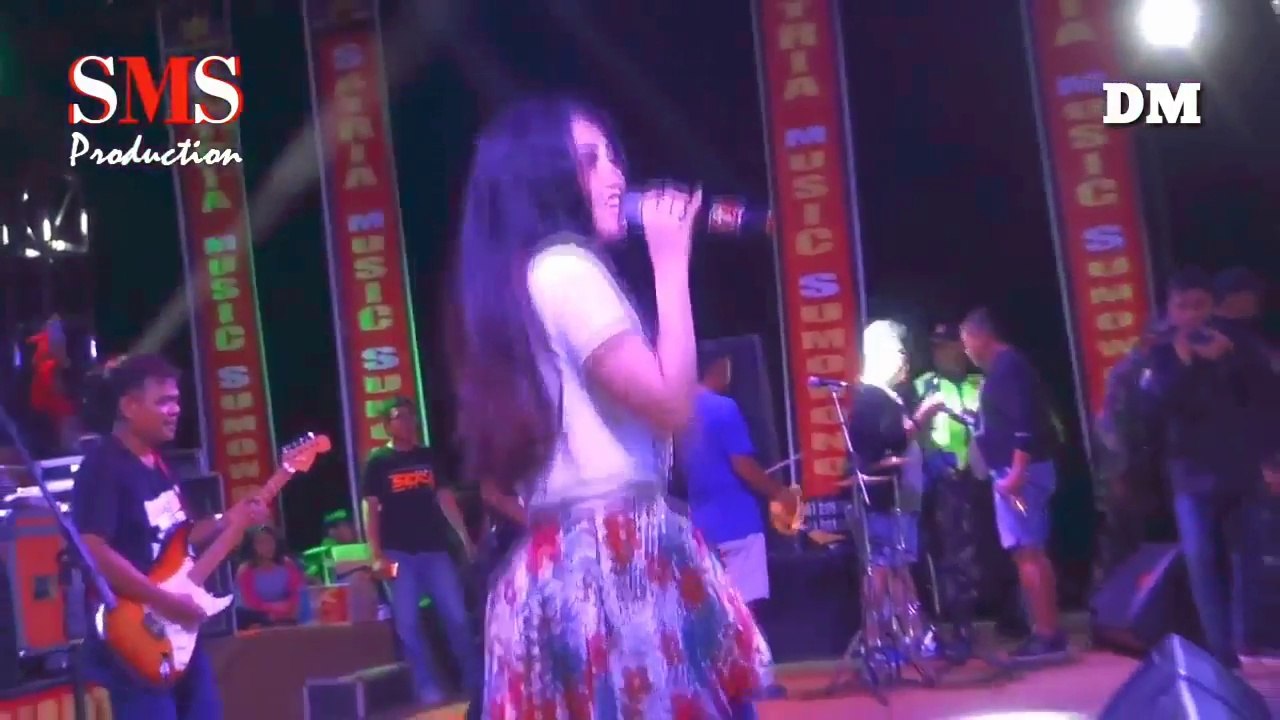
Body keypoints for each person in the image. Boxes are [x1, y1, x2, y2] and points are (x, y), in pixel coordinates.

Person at [451, 96, 771, 719]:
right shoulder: (565, 270)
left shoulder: (522, 279)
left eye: (613, 156)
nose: (617, 174)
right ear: (544, 179)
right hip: (612, 559)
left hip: (572, 554)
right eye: (591, 160)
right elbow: (672, 404)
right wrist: (671, 263)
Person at [72, 353, 269, 719]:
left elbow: (181, 538)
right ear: (129, 407)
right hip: (132, 639)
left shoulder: (160, 464)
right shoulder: (103, 465)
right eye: (163, 401)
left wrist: (229, 518)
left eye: (177, 400)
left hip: (175, 631)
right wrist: (163, 601)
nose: (175, 409)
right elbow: (93, 549)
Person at [1142, 268, 1280, 668]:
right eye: (1182, 306)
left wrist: (1271, 460)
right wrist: (1186, 364)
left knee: (1248, 559)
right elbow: (1156, 410)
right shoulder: (1160, 353)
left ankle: (1248, 640)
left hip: (1241, 470)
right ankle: (1221, 653)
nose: (1190, 314)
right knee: (1202, 559)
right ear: (1170, 309)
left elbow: (1268, 403)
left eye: (1198, 305)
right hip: (1191, 475)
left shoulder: (1239, 344)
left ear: (1212, 306)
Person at [678, 355, 793, 698]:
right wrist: (778, 492)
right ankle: (757, 680)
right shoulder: (724, 408)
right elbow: (742, 465)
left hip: (701, 524)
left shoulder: (677, 414)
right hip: (737, 521)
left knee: (711, 608)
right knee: (745, 606)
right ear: (716, 369)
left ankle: (717, 683)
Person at [959, 308, 1066, 661]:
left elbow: (1024, 425)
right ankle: (1048, 630)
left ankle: (1046, 633)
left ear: (982, 336)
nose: (966, 351)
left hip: (1018, 475)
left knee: (1028, 551)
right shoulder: (1003, 370)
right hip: (1013, 472)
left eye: (967, 342)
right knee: (1030, 550)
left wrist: (1017, 473)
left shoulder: (1008, 368)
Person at [362, 396, 479, 707]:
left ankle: (474, 681)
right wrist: (375, 554)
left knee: (457, 618)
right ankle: (427, 687)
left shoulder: (428, 456)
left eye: (410, 416)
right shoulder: (378, 462)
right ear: (386, 425)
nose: (407, 422)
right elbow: (371, 510)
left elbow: (445, 498)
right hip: (398, 553)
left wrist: (464, 537)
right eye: (399, 417)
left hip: (434, 549)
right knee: (408, 625)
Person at [846, 320, 936, 656]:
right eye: (898, 351)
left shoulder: (886, 397)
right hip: (884, 496)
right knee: (884, 566)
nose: (904, 360)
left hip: (901, 494)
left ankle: (908, 634)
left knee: (898, 564)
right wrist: (923, 416)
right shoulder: (872, 398)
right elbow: (888, 443)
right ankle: (881, 637)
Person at [912, 322, 986, 660]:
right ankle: (953, 628)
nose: (940, 353)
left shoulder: (979, 383)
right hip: (939, 483)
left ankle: (993, 620)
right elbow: (910, 430)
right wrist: (934, 461)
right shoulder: (924, 384)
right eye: (936, 347)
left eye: (946, 346)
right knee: (947, 556)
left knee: (979, 554)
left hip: (980, 481)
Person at [235, 525, 304, 628]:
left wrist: (287, 610)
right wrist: (277, 610)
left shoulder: (287, 564)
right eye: (261, 543)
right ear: (251, 546)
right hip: (260, 623)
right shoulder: (245, 570)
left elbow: (299, 594)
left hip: (290, 620)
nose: (268, 546)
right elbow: (250, 604)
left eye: (270, 541)